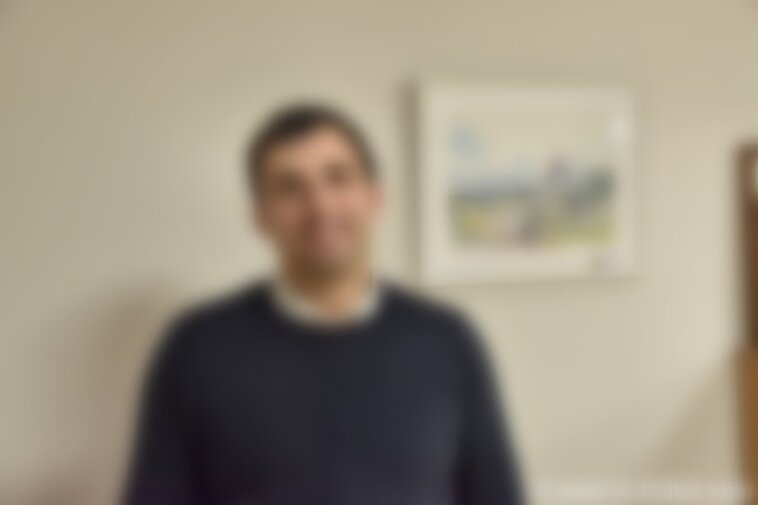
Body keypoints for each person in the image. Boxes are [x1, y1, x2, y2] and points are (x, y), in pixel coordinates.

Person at [123, 103, 523, 505]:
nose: (320, 206)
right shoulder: (198, 348)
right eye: (290, 188)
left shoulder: (446, 341)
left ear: (374, 197)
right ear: (261, 216)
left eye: (338, 178)